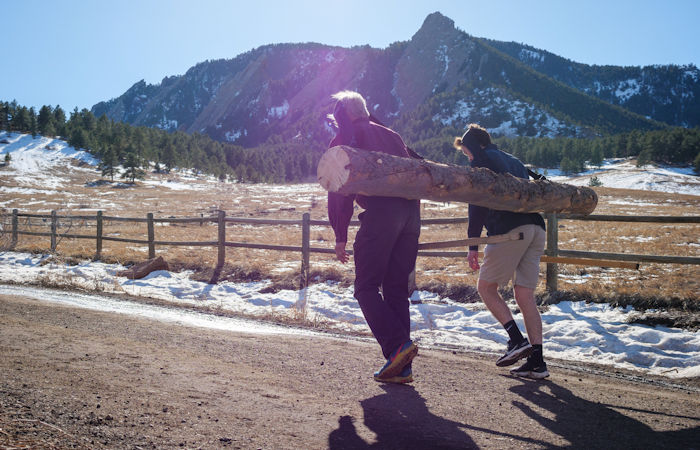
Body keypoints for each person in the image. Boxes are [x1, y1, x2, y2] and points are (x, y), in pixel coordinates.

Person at [326, 90, 420, 384]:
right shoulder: (393, 135)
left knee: (365, 287)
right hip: (411, 217)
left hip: (381, 215)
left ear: (343, 113)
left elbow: (337, 186)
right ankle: (401, 367)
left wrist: (340, 234)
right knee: (395, 289)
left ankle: (396, 347)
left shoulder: (348, 136)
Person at [454, 124, 549, 379]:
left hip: (510, 230)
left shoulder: (482, 161)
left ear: (474, 146)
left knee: (486, 287)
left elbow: (477, 204)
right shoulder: (513, 160)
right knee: (524, 295)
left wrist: (472, 245)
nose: (468, 158)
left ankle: (516, 340)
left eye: (467, 152)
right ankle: (537, 362)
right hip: (537, 229)